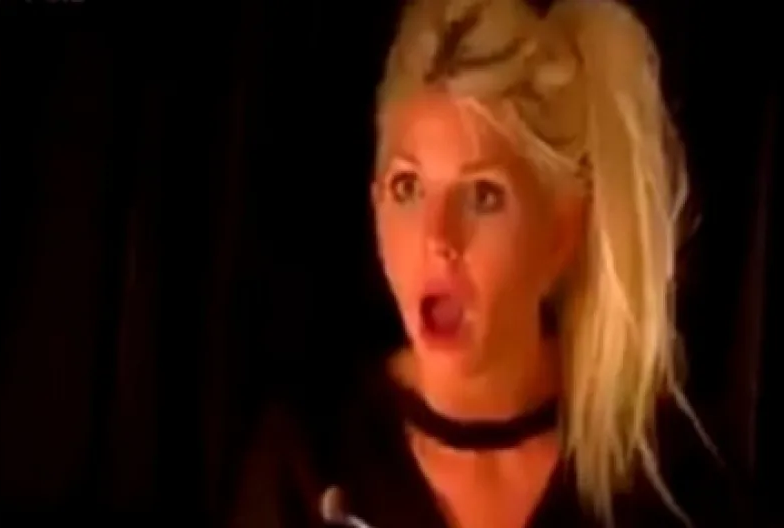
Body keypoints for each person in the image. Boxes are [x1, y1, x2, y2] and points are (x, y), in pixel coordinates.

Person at [227, 0, 748, 526]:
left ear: (561, 233)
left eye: (483, 196)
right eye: (408, 188)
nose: (438, 238)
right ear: (375, 206)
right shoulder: (309, 461)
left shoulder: (664, 477)